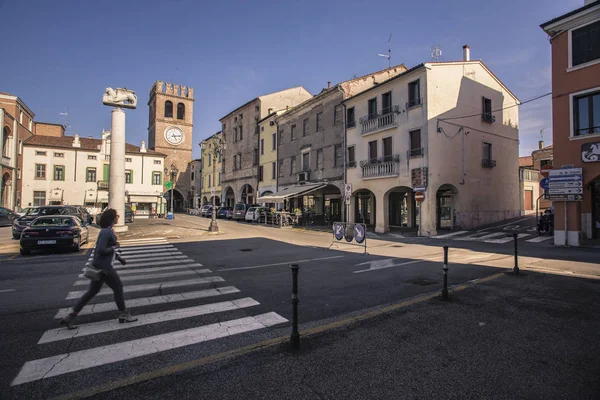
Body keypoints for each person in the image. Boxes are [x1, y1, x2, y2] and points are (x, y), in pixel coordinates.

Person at [60, 208, 137, 329]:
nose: (118, 217)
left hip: (100, 266)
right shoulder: (106, 232)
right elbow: (101, 249)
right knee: (118, 287)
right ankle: (123, 313)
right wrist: (113, 248)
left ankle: (71, 316)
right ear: (112, 219)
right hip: (104, 268)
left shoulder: (106, 231)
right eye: (116, 216)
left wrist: (119, 257)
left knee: (91, 292)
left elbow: (106, 248)